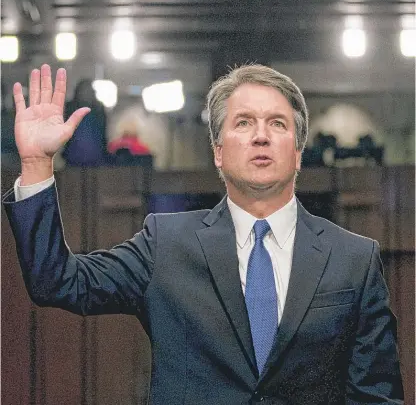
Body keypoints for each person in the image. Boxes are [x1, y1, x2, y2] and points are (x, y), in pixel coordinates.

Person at [3, 64, 403, 404]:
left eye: (277, 124)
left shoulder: (354, 258)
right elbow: (56, 281)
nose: (260, 136)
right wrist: (37, 163)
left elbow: (377, 396)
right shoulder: (166, 244)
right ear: (217, 151)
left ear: (298, 151)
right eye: (243, 123)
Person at [61, 78, 108, 166]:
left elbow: (103, 132)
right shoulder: (71, 108)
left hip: (93, 154)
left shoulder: (98, 110)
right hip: (76, 154)